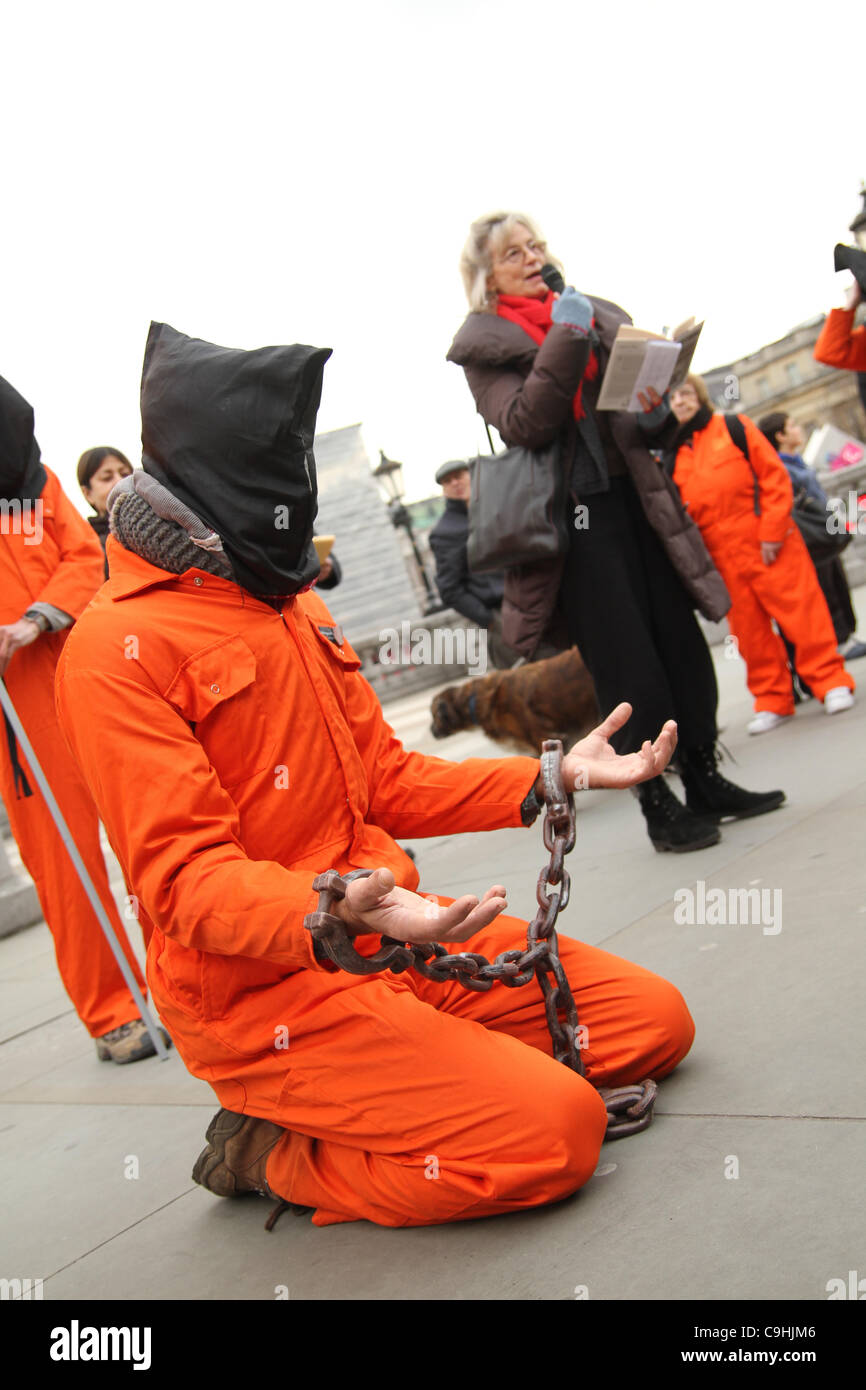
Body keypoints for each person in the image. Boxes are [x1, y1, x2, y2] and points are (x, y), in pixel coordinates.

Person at [56, 321, 695, 1230]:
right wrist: (329, 907)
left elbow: (382, 776)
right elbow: (181, 882)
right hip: (264, 996)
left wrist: (550, 778)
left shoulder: (287, 599)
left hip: (398, 943)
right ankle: (276, 1151)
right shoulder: (113, 652)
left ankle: (423, 1071)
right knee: (553, 1135)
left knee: (652, 1025)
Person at [447, 211, 784, 853]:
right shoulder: (484, 345)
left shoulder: (596, 315)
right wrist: (567, 335)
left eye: (536, 244)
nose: (532, 256)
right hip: (575, 530)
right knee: (630, 670)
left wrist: (655, 406)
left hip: (636, 503)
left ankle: (707, 779)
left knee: (682, 650)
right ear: (487, 277)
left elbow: (633, 426)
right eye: (514, 252)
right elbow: (527, 421)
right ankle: (657, 803)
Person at [0, 377, 166, 1064]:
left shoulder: (29, 481)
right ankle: (113, 1012)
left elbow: (78, 554)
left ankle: (182, 978)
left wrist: (34, 619)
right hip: (16, 714)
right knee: (65, 866)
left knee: (147, 830)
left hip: (76, 671)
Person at [669, 376, 855, 733]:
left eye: (686, 393)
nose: (680, 401)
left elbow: (774, 478)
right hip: (721, 555)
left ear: (700, 397)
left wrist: (771, 532)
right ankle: (772, 699)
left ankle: (830, 681)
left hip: (767, 541)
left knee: (802, 615)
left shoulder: (734, 427)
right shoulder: (674, 451)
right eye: (673, 396)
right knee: (748, 632)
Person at [758, 411, 865, 663]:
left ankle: (845, 637)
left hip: (822, 534)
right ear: (780, 436)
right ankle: (839, 642)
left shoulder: (797, 462)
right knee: (826, 589)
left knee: (836, 584)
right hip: (810, 539)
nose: (798, 430)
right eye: (792, 426)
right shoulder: (781, 468)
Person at [428, 460, 521, 668]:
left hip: (530, 602)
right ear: (444, 489)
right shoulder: (445, 532)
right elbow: (449, 589)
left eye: (459, 476)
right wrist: (490, 620)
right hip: (500, 615)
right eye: (448, 481)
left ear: (471, 476)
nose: (455, 483)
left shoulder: (496, 509)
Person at [77, 446, 134, 575]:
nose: (119, 481)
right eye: (107, 478)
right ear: (87, 494)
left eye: (125, 474)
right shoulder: (84, 549)